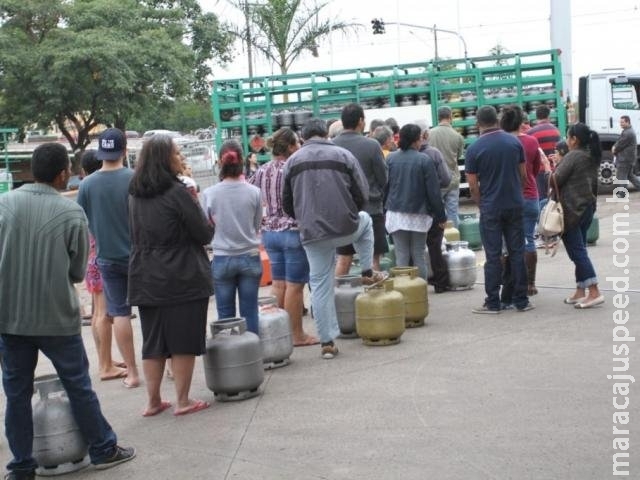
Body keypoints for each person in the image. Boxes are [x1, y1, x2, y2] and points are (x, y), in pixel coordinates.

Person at [0, 143, 136, 479]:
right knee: (77, 385)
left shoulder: (3, 204)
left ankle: (21, 466)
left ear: (31, 169)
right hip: (56, 317)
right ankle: (103, 449)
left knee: (16, 393)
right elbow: (77, 272)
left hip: (9, 316)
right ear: (62, 174)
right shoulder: (71, 213)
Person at [128, 134, 214, 417]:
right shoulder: (178, 192)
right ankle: (183, 401)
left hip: (145, 274)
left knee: (153, 342)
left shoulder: (135, 193)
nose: (182, 158)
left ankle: (153, 401)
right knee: (183, 340)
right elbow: (202, 232)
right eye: (177, 153)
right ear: (166, 160)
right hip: (181, 274)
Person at [283, 118, 382, 359]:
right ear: (326, 133)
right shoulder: (343, 155)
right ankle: (367, 270)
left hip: (312, 233)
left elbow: (288, 203)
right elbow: (362, 193)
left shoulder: (292, 161)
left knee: (320, 285)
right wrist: (349, 212)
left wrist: (306, 218)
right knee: (366, 221)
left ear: (303, 138)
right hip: (344, 227)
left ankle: (327, 342)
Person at [77, 128, 140, 388]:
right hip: (140, 255)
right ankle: (168, 366)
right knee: (152, 311)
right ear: (124, 150)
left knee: (119, 314)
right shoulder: (135, 178)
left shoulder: (87, 184)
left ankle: (133, 373)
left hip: (106, 257)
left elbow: (81, 222)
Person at [250, 127, 318, 347]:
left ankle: (276, 332)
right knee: (295, 286)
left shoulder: (262, 170)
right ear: (290, 147)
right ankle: (296, 334)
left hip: (270, 233)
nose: (299, 147)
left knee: (278, 284)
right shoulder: (293, 169)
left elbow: (251, 194)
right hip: (292, 231)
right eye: (297, 143)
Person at [465, 106, 534, 313]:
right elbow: (523, 175)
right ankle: (521, 300)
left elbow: (472, 185)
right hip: (514, 204)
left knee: (493, 256)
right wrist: (516, 194)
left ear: (478, 124)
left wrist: (481, 203)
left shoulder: (474, 148)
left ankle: (493, 302)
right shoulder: (514, 142)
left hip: (491, 208)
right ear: (496, 120)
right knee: (517, 252)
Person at [201, 140, 263, 335]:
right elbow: (257, 224)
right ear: (242, 162)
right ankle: (253, 354)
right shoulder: (254, 192)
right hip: (249, 255)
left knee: (225, 313)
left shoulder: (210, 194)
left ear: (220, 162)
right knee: (250, 311)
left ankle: (231, 358)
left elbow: (206, 226)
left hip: (222, 256)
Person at [80, 150, 127, 381]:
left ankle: (105, 359)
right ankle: (106, 365)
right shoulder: (95, 188)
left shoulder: (88, 190)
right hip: (100, 257)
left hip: (92, 259)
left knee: (98, 312)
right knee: (102, 313)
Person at [384, 124, 446, 280]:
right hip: (419, 214)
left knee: (402, 255)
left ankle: (404, 294)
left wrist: (385, 210)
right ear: (415, 140)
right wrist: (441, 216)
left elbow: (385, 187)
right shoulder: (424, 160)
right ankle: (420, 294)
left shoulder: (391, 158)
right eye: (420, 138)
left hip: (396, 213)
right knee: (418, 254)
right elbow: (433, 192)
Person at [552, 123, 604, 309]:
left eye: (568, 137)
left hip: (572, 211)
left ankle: (594, 291)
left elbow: (555, 180)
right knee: (580, 250)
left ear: (574, 139)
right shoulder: (590, 155)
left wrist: (549, 167)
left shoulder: (573, 155)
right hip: (587, 208)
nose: (567, 140)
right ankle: (581, 290)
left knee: (577, 252)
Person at [333, 103, 388, 274]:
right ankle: (374, 298)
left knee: (344, 259)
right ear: (360, 121)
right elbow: (383, 177)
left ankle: (338, 297)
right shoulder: (371, 145)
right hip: (371, 208)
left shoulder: (332, 145)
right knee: (372, 259)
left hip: (342, 211)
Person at [500, 106, 542, 297]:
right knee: (528, 241)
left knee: (506, 244)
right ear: (521, 123)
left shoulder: (501, 142)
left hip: (507, 198)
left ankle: (509, 285)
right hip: (530, 196)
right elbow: (534, 171)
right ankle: (530, 284)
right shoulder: (532, 141)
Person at [416, 121, 452, 292]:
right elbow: (446, 179)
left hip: (412, 208)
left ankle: (415, 284)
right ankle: (440, 282)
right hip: (433, 206)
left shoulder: (401, 155)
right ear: (425, 134)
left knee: (414, 248)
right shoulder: (433, 153)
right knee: (435, 245)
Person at [428, 106, 465, 228]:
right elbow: (459, 156)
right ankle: (454, 239)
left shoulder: (429, 134)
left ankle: (441, 240)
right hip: (453, 179)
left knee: (438, 212)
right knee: (453, 212)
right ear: (450, 117)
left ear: (438, 118)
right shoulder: (457, 136)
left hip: (436, 180)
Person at [527, 105, 561, 208]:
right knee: (553, 199)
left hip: (539, 172)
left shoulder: (531, 133)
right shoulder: (556, 131)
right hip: (554, 171)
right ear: (548, 116)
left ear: (536, 116)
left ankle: (542, 221)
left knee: (541, 200)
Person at [612, 115, 640, 194]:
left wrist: (614, 148)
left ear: (628, 122)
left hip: (625, 159)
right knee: (630, 176)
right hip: (628, 158)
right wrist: (615, 146)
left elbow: (620, 144)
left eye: (622, 122)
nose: (620, 124)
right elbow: (620, 141)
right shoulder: (627, 131)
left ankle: (622, 194)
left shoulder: (628, 133)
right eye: (620, 122)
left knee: (622, 177)